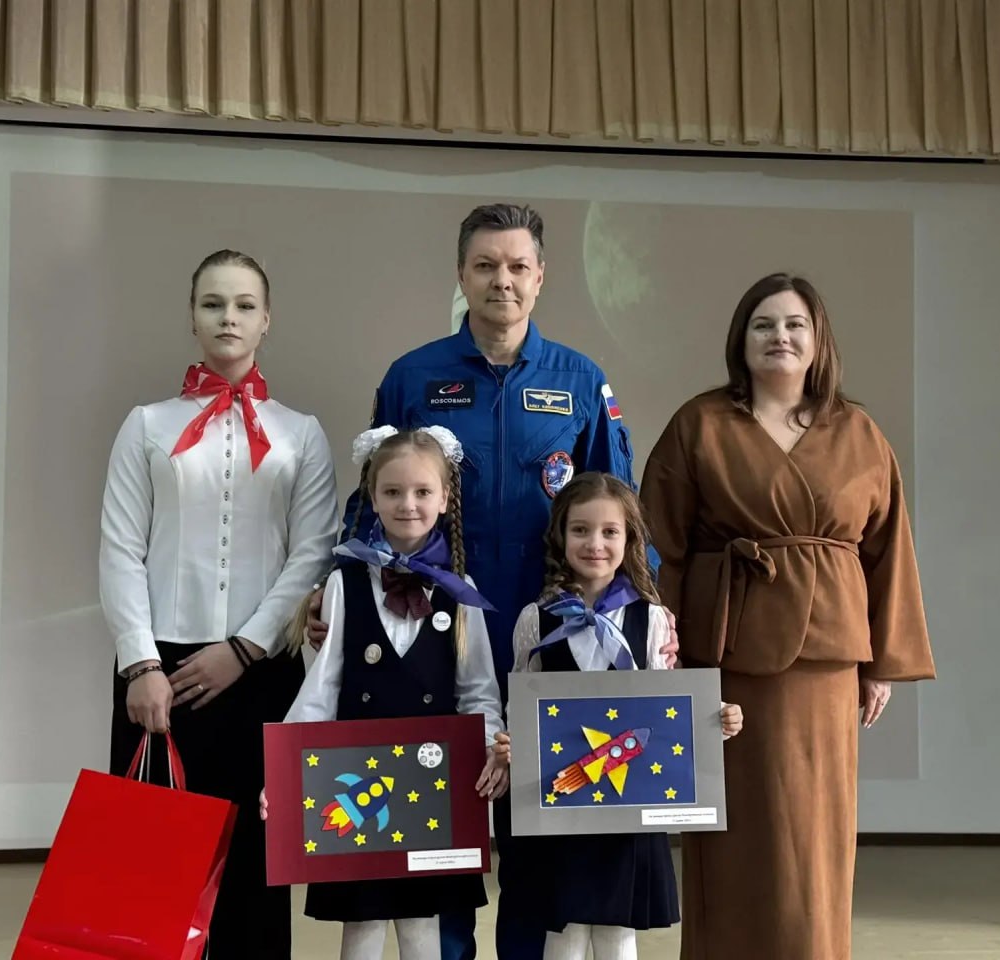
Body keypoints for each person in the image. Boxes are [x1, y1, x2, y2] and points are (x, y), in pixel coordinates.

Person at [303, 203, 677, 960]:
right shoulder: (412, 376)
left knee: (546, 830)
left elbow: (617, 508)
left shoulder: (580, 380)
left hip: (557, 635)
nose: (501, 280)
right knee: (436, 811)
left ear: (540, 278)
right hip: (439, 634)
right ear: (461, 275)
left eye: (516, 267)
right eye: (485, 266)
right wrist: (336, 592)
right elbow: (372, 502)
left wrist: (649, 616)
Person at [639, 273, 937, 960]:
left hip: (828, 661)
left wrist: (882, 663)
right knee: (738, 830)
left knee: (815, 834)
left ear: (818, 340)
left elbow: (888, 550)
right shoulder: (699, 423)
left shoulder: (857, 431)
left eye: (795, 324)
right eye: (764, 324)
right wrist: (662, 650)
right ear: (740, 341)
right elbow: (660, 545)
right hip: (729, 655)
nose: (780, 337)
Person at [98, 249, 340, 960]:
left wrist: (245, 649)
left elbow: (313, 552)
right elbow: (120, 548)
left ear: (266, 320)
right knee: (155, 870)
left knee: (255, 872)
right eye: (212, 303)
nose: (227, 317)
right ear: (192, 317)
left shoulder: (302, 432)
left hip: (262, 672)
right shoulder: (146, 424)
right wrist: (141, 665)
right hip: (159, 675)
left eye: (243, 305)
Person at [268, 426, 508, 960]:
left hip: (432, 787)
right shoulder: (343, 584)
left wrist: (491, 747)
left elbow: (478, 692)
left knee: (423, 927)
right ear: (372, 497)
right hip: (357, 786)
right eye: (393, 491)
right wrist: (282, 773)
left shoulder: (462, 593)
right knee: (361, 926)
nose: (408, 504)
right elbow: (322, 688)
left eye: (423, 491)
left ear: (444, 499)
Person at [493, 473, 742, 960]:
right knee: (563, 933)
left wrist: (718, 719)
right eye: (580, 530)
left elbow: (667, 705)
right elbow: (519, 704)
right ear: (560, 536)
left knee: (617, 932)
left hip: (627, 807)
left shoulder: (652, 618)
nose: (595, 544)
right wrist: (511, 742)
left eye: (610, 532)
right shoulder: (535, 619)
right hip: (559, 804)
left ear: (630, 540)